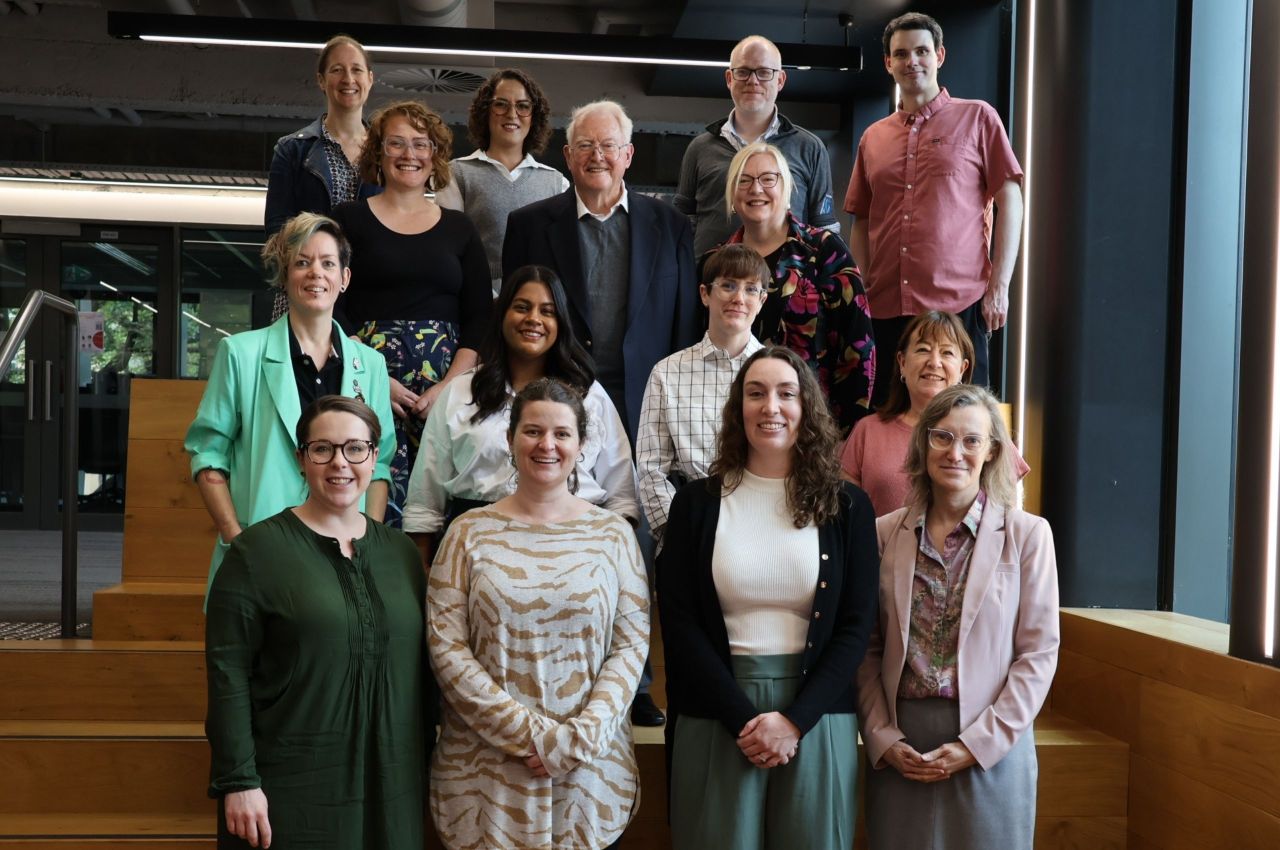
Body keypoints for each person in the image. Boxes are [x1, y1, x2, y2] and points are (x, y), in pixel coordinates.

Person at [657, 346, 879, 850]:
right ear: (738, 408)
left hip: (816, 715)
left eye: (786, 394)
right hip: (716, 710)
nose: (770, 407)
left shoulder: (848, 507)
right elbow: (680, 622)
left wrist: (795, 721)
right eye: (755, 393)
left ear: (807, 407)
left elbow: (856, 625)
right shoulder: (694, 504)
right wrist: (743, 719)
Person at [428, 378, 649, 850]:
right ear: (510, 439)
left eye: (561, 433)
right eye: (532, 431)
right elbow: (446, 648)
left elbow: (631, 646)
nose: (546, 444)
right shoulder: (467, 533)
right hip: (486, 777)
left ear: (581, 444)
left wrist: (577, 740)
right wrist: (531, 737)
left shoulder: (614, 535)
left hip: (588, 774)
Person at [206, 395, 428, 850]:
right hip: (289, 787)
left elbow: (423, 674)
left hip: (393, 784)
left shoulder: (402, 554)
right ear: (300, 458)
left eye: (355, 448)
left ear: (374, 457)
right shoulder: (255, 553)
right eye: (322, 449)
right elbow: (227, 675)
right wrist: (238, 780)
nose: (339, 463)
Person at [857, 383, 1059, 850]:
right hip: (902, 747)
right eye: (943, 437)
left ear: (992, 452)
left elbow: (1038, 654)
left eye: (972, 440)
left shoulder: (1028, 536)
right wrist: (882, 737)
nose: (955, 452)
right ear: (924, 443)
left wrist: (977, 745)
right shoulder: (883, 534)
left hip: (991, 748)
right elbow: (866, 648)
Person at [185, 213, 396, 597]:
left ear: (344, 278)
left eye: (328, 263)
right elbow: (208, 455)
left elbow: (379, 466)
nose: (316, 273)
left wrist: (370, 544)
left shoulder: (372, 366)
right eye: (302, 262)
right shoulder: (240, 354)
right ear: (285, 275)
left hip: (346, 553)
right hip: (261, 553)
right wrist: (235, 538)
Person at [402, 264, 639, 566]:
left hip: (578, 552)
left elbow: (622, 496)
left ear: (561, 322)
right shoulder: (461, 392)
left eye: (547, 311)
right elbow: (424, 502)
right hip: (477, 549)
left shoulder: (588, 394)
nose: (534, 319)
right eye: (522, 307)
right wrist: (423, 573)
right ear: (502, 315)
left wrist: (619, 566)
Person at [845, 12, 1024, 404]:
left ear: (939, 55)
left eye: (922, 51)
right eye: (901, 54)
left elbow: (1010, 199)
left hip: (959, 303)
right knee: (891, 415)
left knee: (964, 418)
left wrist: (1000, 286)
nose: (912, 61)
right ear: (888, 63)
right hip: (888, 307)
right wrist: (864, 288)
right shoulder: (873, 137)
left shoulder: (978, 117)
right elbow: (862, 218)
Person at [330, 100, 492, 527]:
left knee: (438, 504)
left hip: (446, 393)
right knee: (364, 494)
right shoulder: (348, 220)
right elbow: (333, 306)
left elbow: (480, 317)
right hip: (365, 384)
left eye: (421, 144)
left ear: (435, 155)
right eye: (396, 143)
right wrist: (373, 378)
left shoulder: (460, 228)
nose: (409, 154)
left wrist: (448, 388)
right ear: (378, 152)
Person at [503, 98, 700, 441]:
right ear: (568, 156)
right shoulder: (528, 226)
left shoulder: (672, 226)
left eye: (609, 145)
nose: (597, 156)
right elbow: (513, 321)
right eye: (585, 145)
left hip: (646, 400)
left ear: (628, 155)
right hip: (554, 397)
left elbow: (685, 325)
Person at [716, 141, 875, 433]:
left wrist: (847, 434)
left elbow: (858, 346)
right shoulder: (717, 263)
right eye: (744, 180)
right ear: (732, 195)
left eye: (768, 179)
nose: (756, 189)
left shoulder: (824, 251)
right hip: (735, 426)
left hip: (813, 427)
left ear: (787, 189)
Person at [635, 243, 767, 552]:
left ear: (762, 301)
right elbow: (651, 470)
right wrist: (682, 533)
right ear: (705, 294)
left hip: (763, 530)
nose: (739, 298)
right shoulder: (667, 373)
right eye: (728, 285)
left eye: (750, 289)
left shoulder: (779, 372)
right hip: (689, 533)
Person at [840, 310, 1031, 516]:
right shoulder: (868, 431)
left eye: (947, 353)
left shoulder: (985, 430)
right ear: (902, 363)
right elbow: (844, 513)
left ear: (963, 369)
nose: (934, 362)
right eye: (923, 350)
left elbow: (1008, 511)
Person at [677, 35, 840, 257]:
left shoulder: (810, 148)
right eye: (743, 71)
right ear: (729, 78)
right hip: (710, 276)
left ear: (780, 80)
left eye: (764, 72)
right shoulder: (700, 148)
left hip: (787, 276)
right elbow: (681, 224)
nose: (753, 81)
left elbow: (824, 229)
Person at [264, 35, 382, 319]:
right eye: (337, 70)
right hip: (310, 289)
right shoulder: (292, 150)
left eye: (356, 69)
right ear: (321, 80)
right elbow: (277, 230)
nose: (348, 79)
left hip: (368, 292)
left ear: (370, 79)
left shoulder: (387, 153)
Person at [434, 68, 570, 296]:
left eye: (523, 106)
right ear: (486, 112)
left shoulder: (557, 183)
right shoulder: (457, 174)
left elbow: (561, 257)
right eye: (501, 104)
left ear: (534, 116)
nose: (512, 114)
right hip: (475, 299)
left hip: (537, 303)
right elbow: (449, 250)